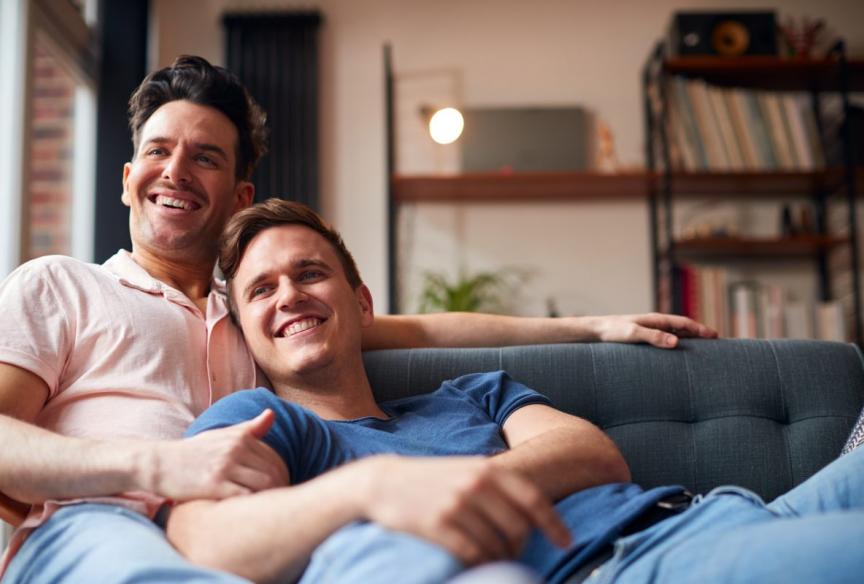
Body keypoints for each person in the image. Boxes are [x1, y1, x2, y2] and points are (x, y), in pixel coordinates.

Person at [0, 55, 714, 582]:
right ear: (128, 178)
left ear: (240, 190)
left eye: (205, 157)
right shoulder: (59, 286)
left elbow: (430, 330)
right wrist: (155, 465)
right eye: (158, 151)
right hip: (101, 527)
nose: (176, 170)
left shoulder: (261, 315)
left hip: (249, 542)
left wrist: (592, 328)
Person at [170, 198, 864, 584]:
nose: (289, 295)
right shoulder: (270, 422)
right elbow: (200, 538)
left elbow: (591, 455)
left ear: (362, 303)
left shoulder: (471, 392)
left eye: (310, 273)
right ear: (245, 330)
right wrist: (368, 491)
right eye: (262, 289)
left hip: (723, 513)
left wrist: (466, 483)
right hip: (631, 566)